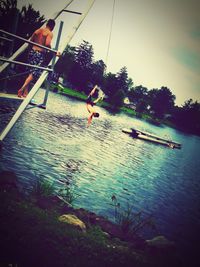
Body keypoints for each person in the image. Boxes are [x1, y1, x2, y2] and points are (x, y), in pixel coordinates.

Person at [17, 19, 60, 98]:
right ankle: (22, 89)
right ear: (53, 26)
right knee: (34, 74)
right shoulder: (49, 33)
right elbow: (47, 44)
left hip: (32, 52)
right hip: (39, 54)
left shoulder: (38, 30)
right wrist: (54, 51)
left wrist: (31, 51)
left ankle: (25, 93)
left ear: (47, 24)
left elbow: (30, 41)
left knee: (30, 73)